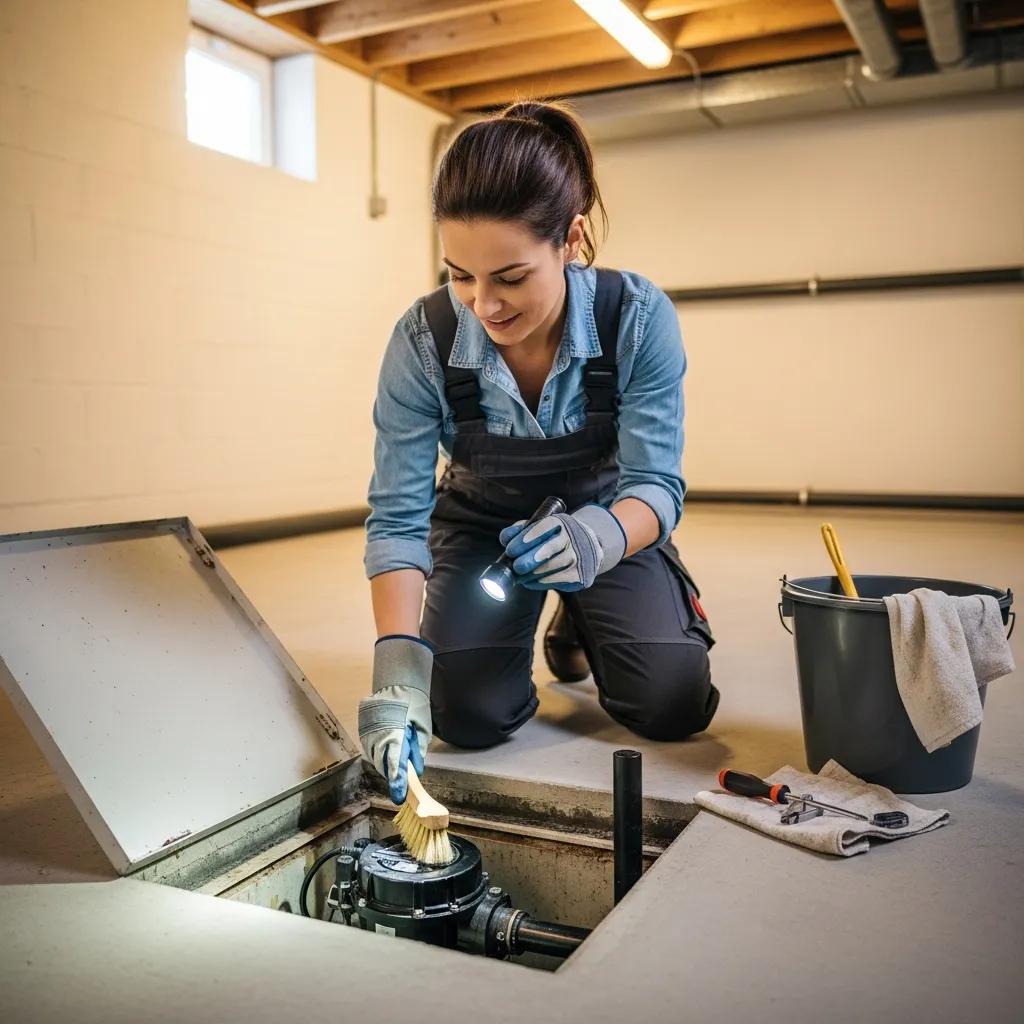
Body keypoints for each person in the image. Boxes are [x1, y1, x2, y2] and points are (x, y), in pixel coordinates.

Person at [358, 100, 719, 804]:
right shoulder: (422, 341)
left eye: (510, 277)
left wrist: (601, 537)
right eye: (460, 273)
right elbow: (398, 520)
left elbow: (656, 487)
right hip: (479, 527)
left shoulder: (638, 319)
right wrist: (398, 674)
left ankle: (580, 610)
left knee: (672, 700)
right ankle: (530, 619)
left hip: (608, 525)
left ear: (572, 239)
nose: (482, 304)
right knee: (465, 715)